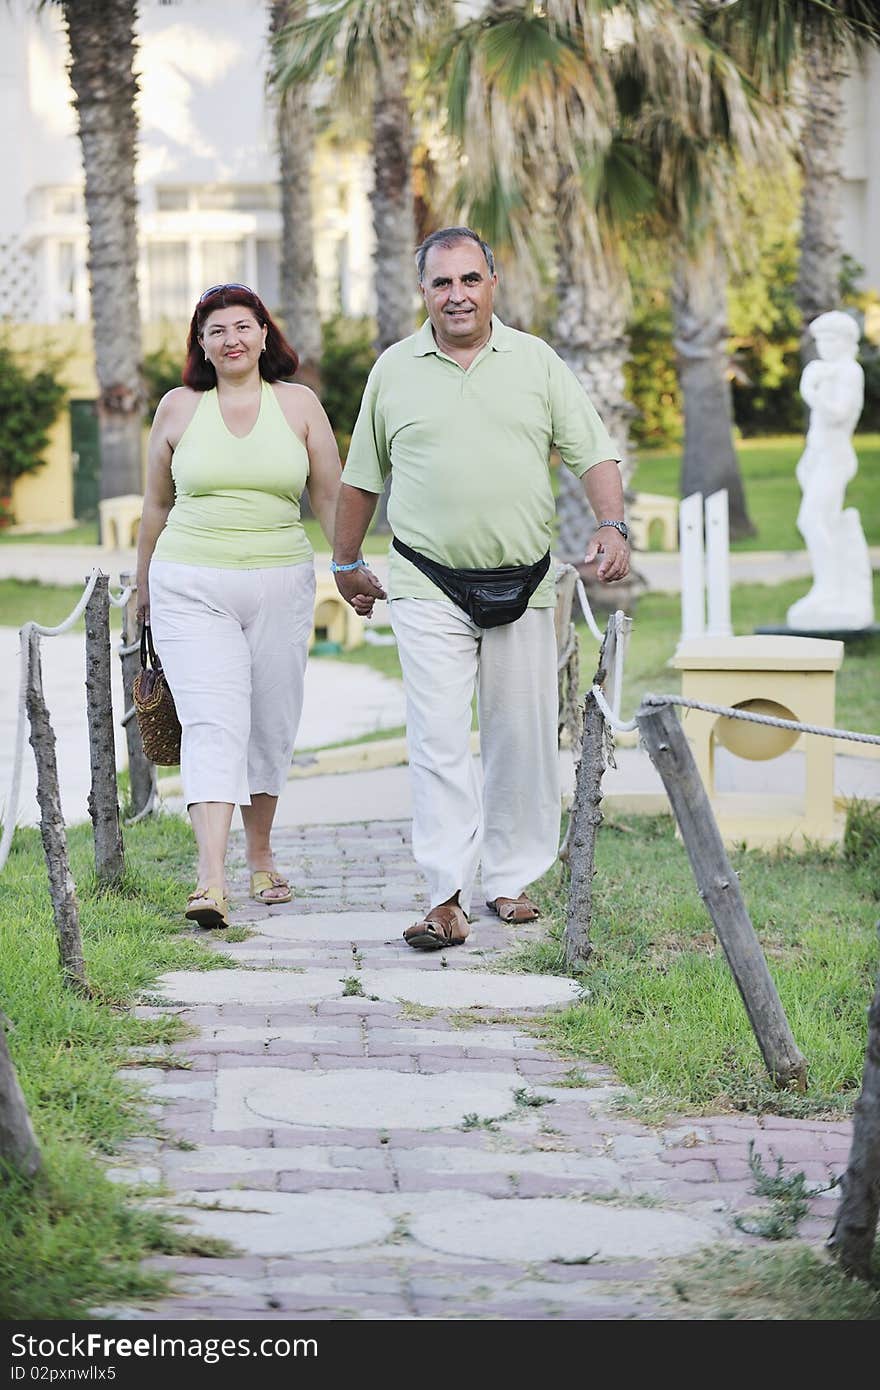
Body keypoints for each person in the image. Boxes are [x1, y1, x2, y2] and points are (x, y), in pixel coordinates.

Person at [333, 227, 629, 950]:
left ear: (493, 283)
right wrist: (344, 564)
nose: (457, 295)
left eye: (469, 279)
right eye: (442, 283)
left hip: (524, 582)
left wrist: (613, 524)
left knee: (519, 737)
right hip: (426, 580)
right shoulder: (394, 370)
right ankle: (444, 894)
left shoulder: (536, 362)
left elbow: (592, 451)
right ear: (424, 293)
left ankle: (509, 879)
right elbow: (362, 478)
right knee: (436, 738)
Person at [136, 284, 343, 928]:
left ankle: (261, 854)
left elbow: (332, 497)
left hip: (281, 580)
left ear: (263, 335)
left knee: (271, 720)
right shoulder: (177, 408)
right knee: (211, 722)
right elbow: (156, 507)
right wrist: (140, 590)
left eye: (242, 326)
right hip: (191, 582)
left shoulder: (300, 404)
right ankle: (211, 881)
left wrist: (350, 567)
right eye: (215, 329)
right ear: (200, 343)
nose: (230, 338)